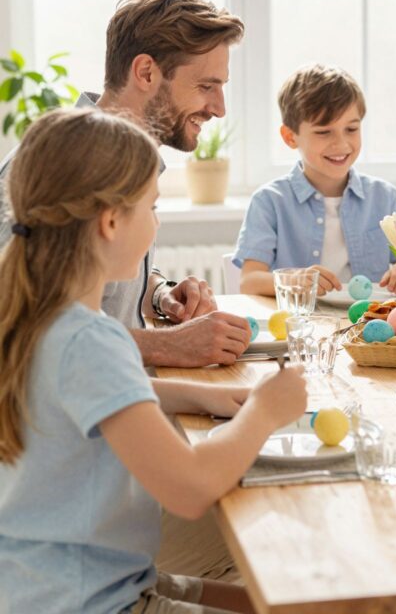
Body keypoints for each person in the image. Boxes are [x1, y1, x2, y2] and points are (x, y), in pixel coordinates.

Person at [0, 107, 308, 613]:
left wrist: (199, 393)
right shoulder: (88, 341)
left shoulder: (37, 318)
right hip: (92, 600)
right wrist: (265, 411)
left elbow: (85, 393)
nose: (156, 223)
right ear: (111, 221)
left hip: (61, 583)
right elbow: (190, 488)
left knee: (282, 604)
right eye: (153, 207)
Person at [0, 0, 252, 369]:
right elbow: (18, 330)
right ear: (146, 72)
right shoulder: (55, 167)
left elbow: (85, 278)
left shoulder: (130, 164)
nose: (218, 109)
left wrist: (159, 294)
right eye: (206, 86)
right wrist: (168, 345)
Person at [234, 64, 396, 296]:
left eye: (351, 129)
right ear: (290, 137)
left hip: (369, 326)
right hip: (302, 326)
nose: (341, 144)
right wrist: (295, 280)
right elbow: (249, 281)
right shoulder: (269, 201)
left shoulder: (384, 198)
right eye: (323, 132)